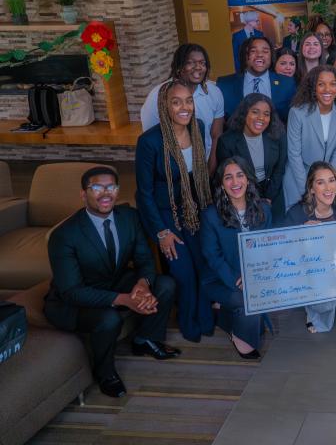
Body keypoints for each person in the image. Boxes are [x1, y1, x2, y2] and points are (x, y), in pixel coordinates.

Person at [45, 166, 180, 398]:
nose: (106, 193)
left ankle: (145, 339)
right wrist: (124, 299)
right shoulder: (64, 235)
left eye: (111, 187)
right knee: (109, 319)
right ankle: (105, 372)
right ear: (83, 194)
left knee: (165, 285)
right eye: (97, 187)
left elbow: (144, 259)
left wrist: (143, 284)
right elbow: (71, 291)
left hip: (114, 281)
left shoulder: (129, 217)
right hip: (74, 301)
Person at [135, 80, 214, 342]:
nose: (184, 107)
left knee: (203, 263)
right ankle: (187, 320)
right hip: (164, 213)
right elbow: (144, 193)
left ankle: (205, 317)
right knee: (183, 271)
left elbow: (199, 175)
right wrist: (161, 231)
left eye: (188, 101)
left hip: (192, 209)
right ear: (164, 106)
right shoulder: (149, 141)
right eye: (176, 102)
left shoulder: (197, 127)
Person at [200, 158, 271, 359]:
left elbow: (268, 246)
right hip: (220, 278)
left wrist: (259, 276)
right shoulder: (211, 215)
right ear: (222, 184)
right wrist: (237, 280)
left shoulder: (264, 209)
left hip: (254, 275)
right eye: (228, 177)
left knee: (257, 304)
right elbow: (212, 256)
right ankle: (237, 333)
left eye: (240, 175)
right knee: (246, 301)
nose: (235, 182)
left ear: (248, 179)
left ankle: (225, 314)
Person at [283, 161, 336, 332]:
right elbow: (285, 256)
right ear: (311, 188)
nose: (328, 188)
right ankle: (314, 310)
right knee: (325, 302)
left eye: (331, 180)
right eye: (320, 182)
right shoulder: (296, 214)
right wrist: (301, 234)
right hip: (313, 275)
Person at [281, 65, 336, 207]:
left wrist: (329, 182)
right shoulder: (297, 112)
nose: (327, 89)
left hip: (327, 179)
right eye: (321, 84)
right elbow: (294, 155)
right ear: (313, 87)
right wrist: (308, 189)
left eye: (333, 84)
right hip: (299, 177)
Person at [140, 43, 224, 165]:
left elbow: (216, 135)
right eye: (191, 62)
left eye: (202, 63)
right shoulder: (158, 95)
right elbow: (150, 137)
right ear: (179, 66)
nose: (198, 67)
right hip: (171, 166)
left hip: (204, 164)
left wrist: (211, 166)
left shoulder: (214, 92)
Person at [216, 93, 287, 220]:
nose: (261, 118)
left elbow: (279, 169)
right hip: (242, 195)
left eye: (266, 114)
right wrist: (254, 199)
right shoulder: (226, 141)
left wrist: (268, 197)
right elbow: (227, 177)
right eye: (255, 112)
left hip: (274, 193)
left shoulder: (278, 135)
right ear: (244, 113)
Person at [218, 36, 296, 122]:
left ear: (271, 56)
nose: (260, 55)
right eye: (253, 51)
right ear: (245, 55)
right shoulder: (224, 85)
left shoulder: (287, 83)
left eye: (265, 51)